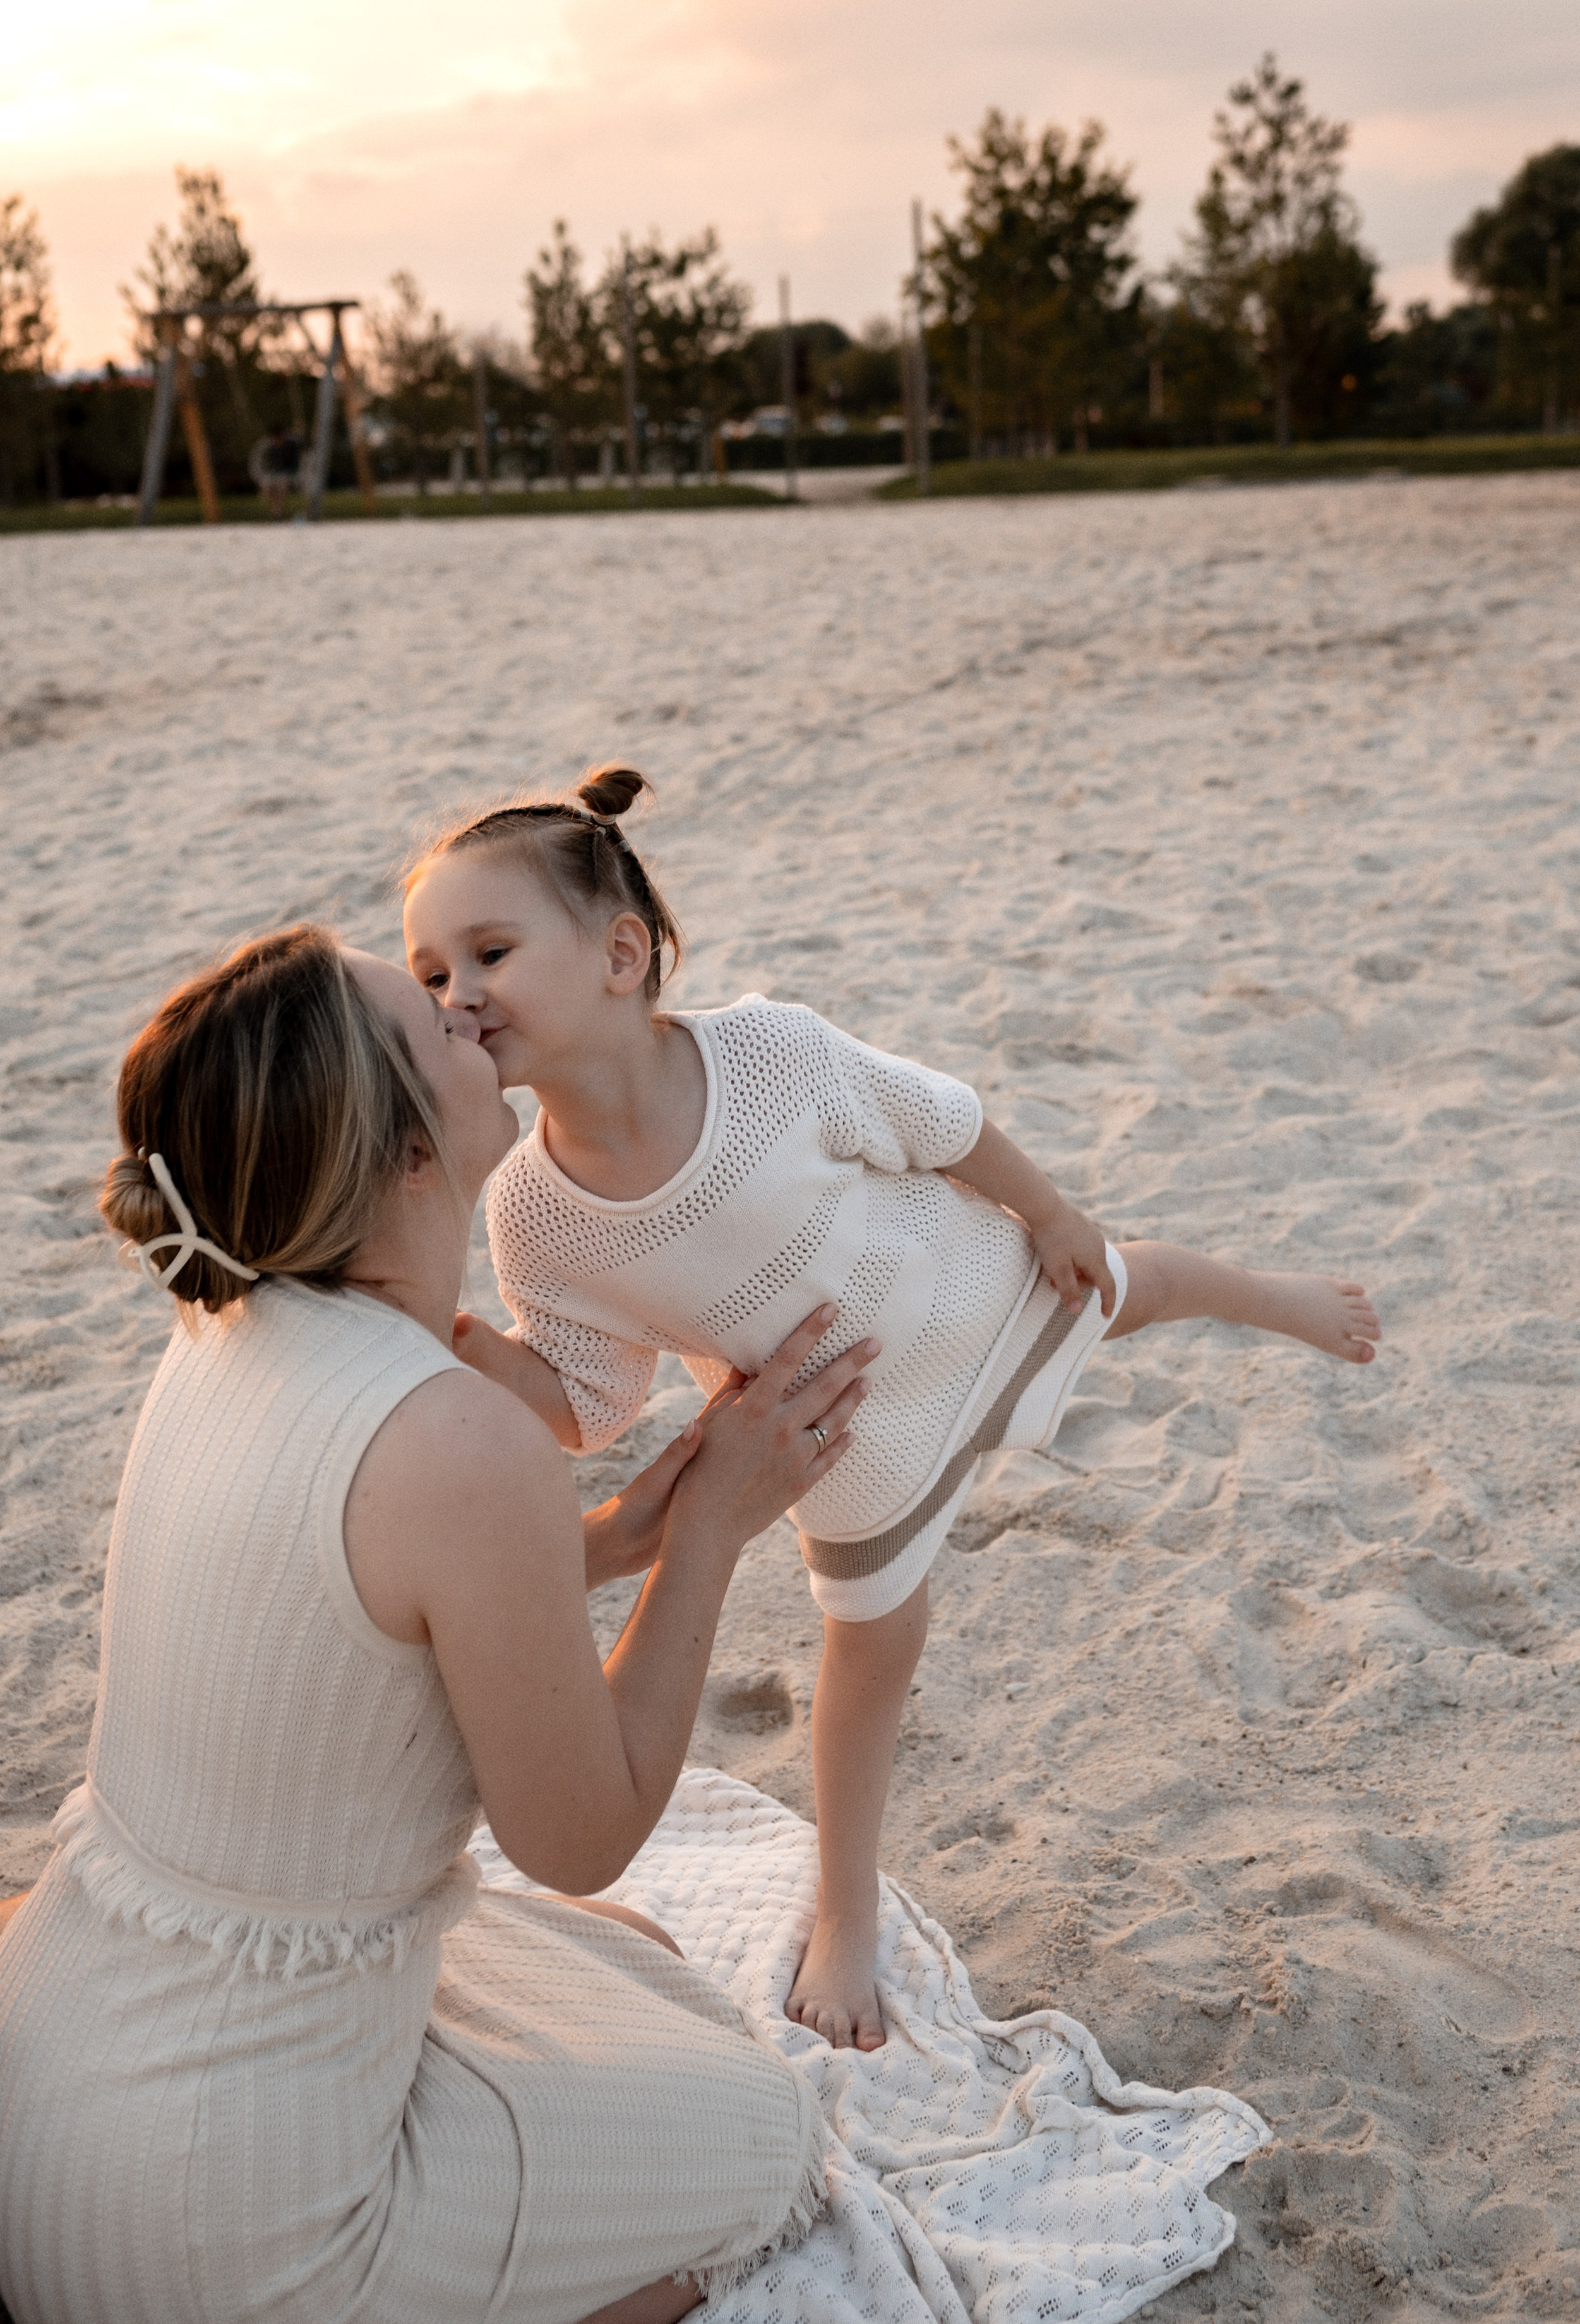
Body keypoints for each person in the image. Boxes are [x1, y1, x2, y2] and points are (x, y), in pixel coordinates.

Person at [0, 925, 878, 2324]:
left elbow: (344, 1605)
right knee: (767, 2144)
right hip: (222, 2237)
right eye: (432, 1023)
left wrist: (614, 1537)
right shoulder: (456, 1433)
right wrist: (704, 1537)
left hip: (42, 2098)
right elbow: (578, 1835)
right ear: (398, 1156)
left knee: (634, 1954)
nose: (469, 1016)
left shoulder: (223, 1329)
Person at [402, 765, 1382, 2055]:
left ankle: (1274, 1295)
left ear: (619, 953)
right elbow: (586, 1401)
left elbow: (939, 1123)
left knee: (1131, 1282)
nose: (455, 996)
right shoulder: (532, 1212)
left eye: (488, 951)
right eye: (427, 975)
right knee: (865, 1660)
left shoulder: (768, 1051)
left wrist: (1042, 1209)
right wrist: (457, 1336)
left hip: (963, 1288)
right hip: (848, 1434)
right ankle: (845, 1906)